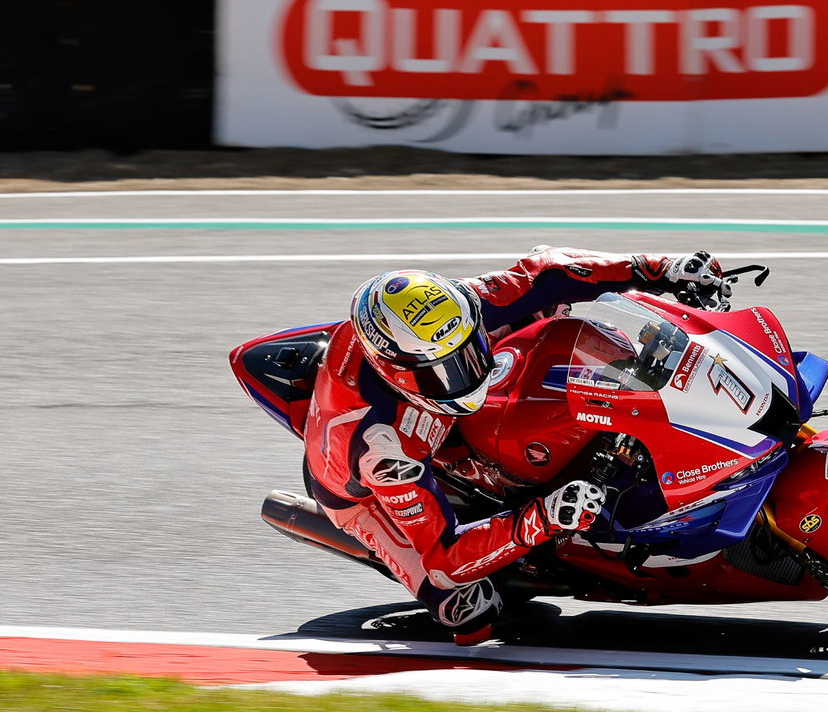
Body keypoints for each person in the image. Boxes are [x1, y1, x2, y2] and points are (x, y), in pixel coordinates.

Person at [304, 247, 729, 645]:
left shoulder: (454, 310)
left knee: (550, 311)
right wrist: (540, 519)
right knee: (464, 608)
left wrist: (659, 268)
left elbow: (546, 270)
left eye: (469, 351)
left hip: (440, 417)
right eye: (445, 370)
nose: (465, 373)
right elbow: (445, 558)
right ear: (397, 370)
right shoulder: (383, 447)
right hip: (360, 493)